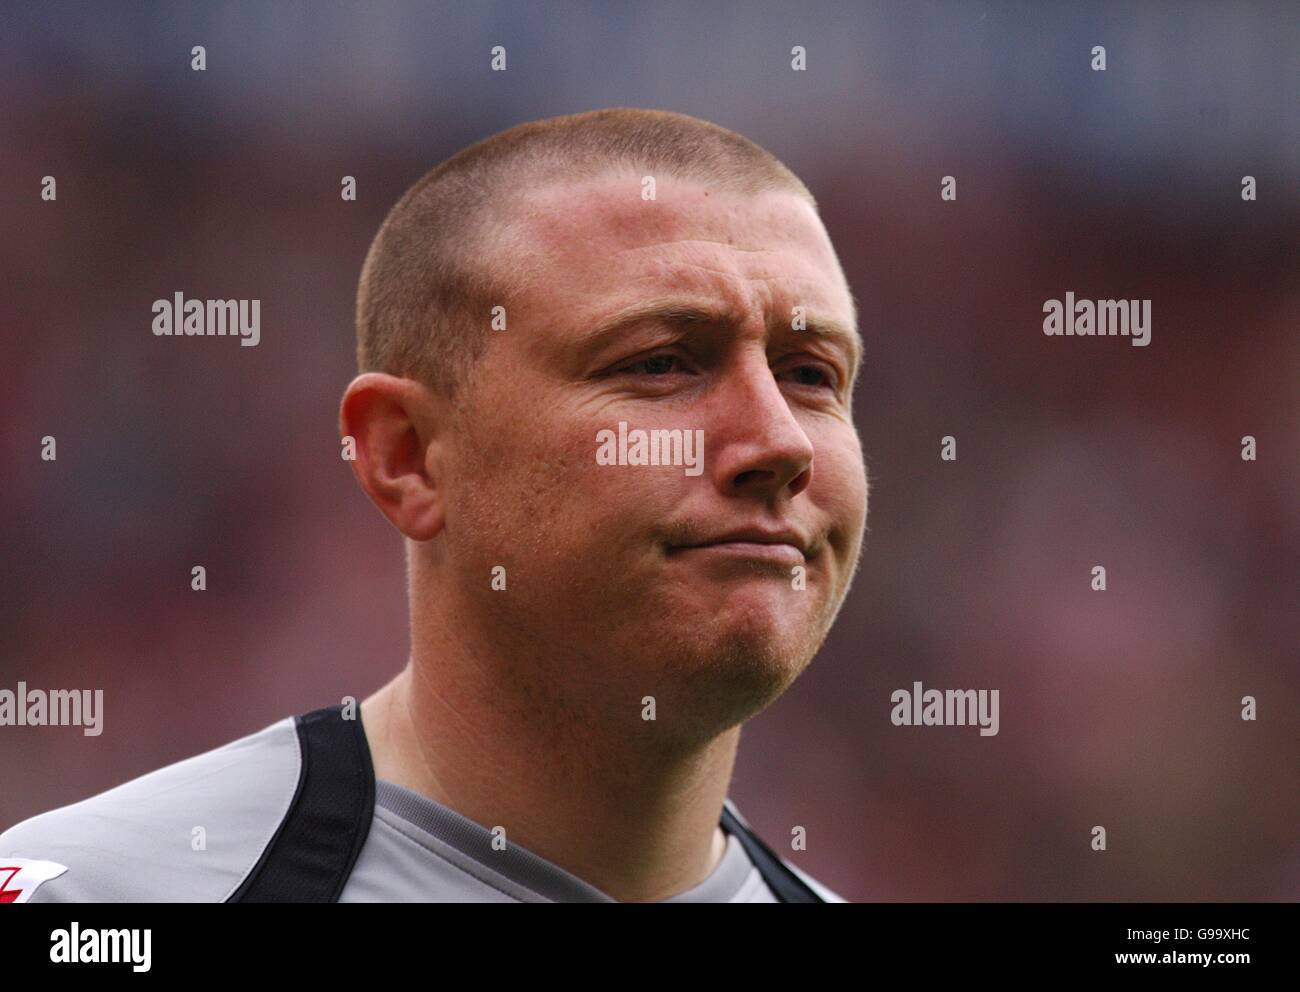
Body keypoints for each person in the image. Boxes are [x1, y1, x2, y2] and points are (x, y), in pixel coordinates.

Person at [0, 108, 866, 903]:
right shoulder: (98, 905)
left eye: (810, 375)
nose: (780, 442)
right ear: (407, 456)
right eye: (661, 362)